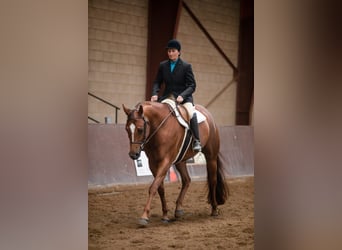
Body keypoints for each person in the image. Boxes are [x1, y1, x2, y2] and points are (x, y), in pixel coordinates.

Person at [150, 39, 202, 152]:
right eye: (169, 51)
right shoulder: (163, 65)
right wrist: (154, 93)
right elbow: (157, 82)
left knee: (191, 112)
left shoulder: (186, 66)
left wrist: (183, 95)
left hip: (183, 98)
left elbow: (192, 85)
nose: (170, 53)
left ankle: (196, 140)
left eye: (173, 51)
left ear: (178, 52)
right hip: (167, 97)